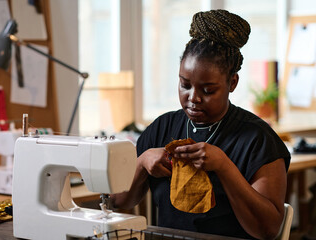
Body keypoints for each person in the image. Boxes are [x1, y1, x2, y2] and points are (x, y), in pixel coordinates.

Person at [111, 9, 290, 240]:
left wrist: (224, 166)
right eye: (185, 85)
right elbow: (118, 201)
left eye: (208, 90)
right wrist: (142, 162)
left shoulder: (257, 139)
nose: (193, 98)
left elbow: (268, 230)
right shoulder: (163, 127)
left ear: (232, 82)